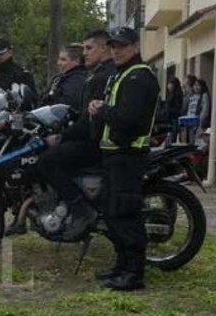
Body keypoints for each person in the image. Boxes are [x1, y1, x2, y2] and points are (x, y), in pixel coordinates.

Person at [90, 26, 159, 291]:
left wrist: (103, 110)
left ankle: (134, 273)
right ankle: (121, 266)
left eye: (121, 45)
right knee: (112, 212)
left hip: (128, 156)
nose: (115, 50)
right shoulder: (122, 75)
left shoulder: (138, 77)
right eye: (113, 46)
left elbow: (128, 120)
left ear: (135, 47)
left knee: (126, 214)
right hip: (114, 155)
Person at [33, 30, 116, 237]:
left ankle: (80, 208)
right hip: (94, 137)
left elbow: (88, 121)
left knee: (46, 161)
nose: (84, 54)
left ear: (104, 48)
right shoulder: (98, 73)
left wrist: (62, 136)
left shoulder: (100, 76)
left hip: (95, 141)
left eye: (89, 48)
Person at [45, 44, 88, 110]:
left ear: (76, 61)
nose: (58, 63)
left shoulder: (78, 81)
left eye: (63, 60)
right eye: (59, 59)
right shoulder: (59, 78)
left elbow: (65, 106)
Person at [162, 76, 184, 144]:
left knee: (172, 139)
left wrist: (168, 111)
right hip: (170, 118)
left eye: (170, 83)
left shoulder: (177, 95)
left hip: (174, 118)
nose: (168, 85)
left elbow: (177, 108)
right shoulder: (170, 94)